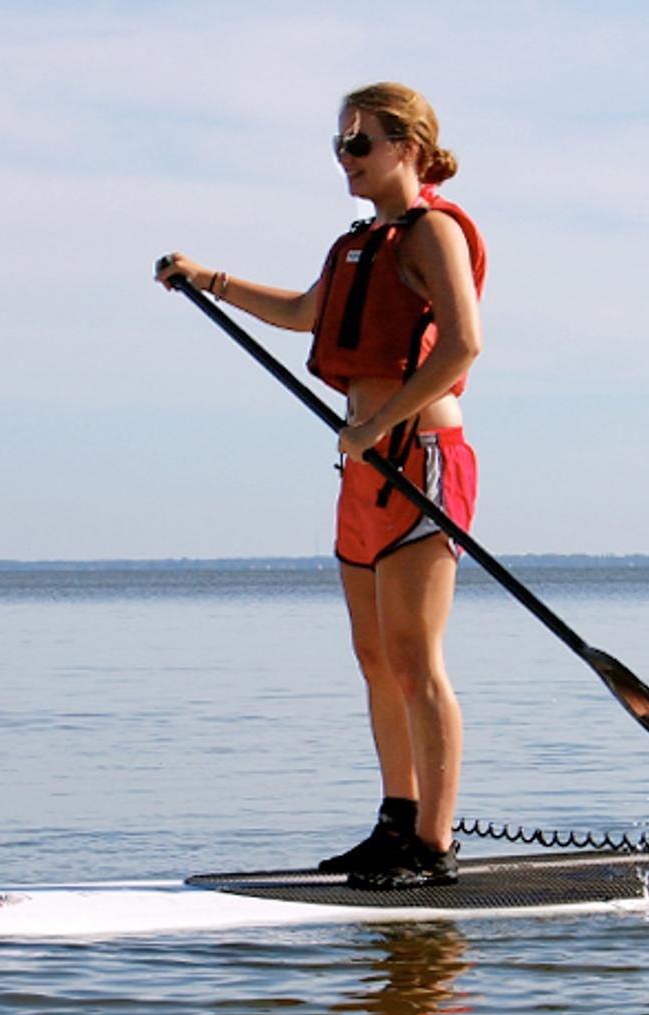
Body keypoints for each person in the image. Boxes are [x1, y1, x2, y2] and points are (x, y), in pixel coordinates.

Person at [156, 82, 486, 890]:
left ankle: (435, 848)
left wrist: (379, 425)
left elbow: (463, 346)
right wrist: (211, 281)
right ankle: (396, 821)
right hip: (362, 466)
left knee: (415, 659)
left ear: (407, 147)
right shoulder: (356, 244)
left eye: (360, 143)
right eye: (340, 145)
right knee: (375, 658)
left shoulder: (433, 231)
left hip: (419, 461)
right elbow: (309, 311)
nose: (345, 159)